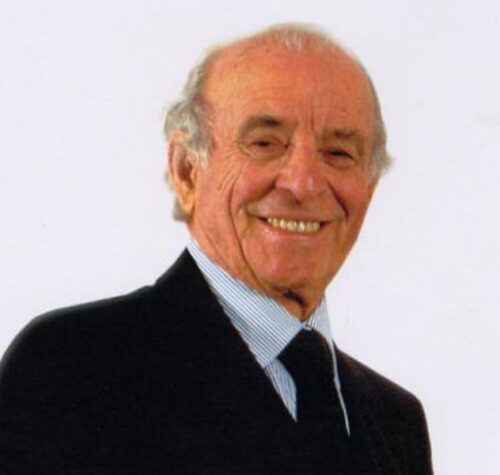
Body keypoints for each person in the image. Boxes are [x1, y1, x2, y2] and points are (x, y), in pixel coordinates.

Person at [0, 24, 433, 474]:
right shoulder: (74, 367)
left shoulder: (395, 421)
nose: (304, 183)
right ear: (186, 171)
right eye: (265, 143)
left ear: (369, 186)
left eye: (339, 152)